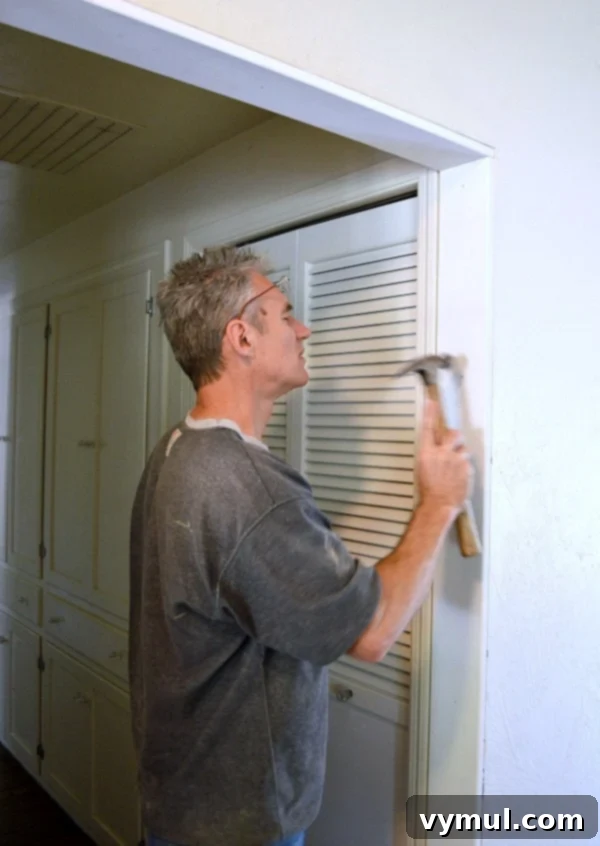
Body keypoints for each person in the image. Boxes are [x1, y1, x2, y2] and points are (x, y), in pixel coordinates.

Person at [129, 246, 472, 846]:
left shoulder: (177, 449)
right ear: (241, 336)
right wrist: (439, 503)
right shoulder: (247, 487)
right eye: (285, 314)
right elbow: (373, 630)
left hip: (181, 801)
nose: (303, 327)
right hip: (238, 823)